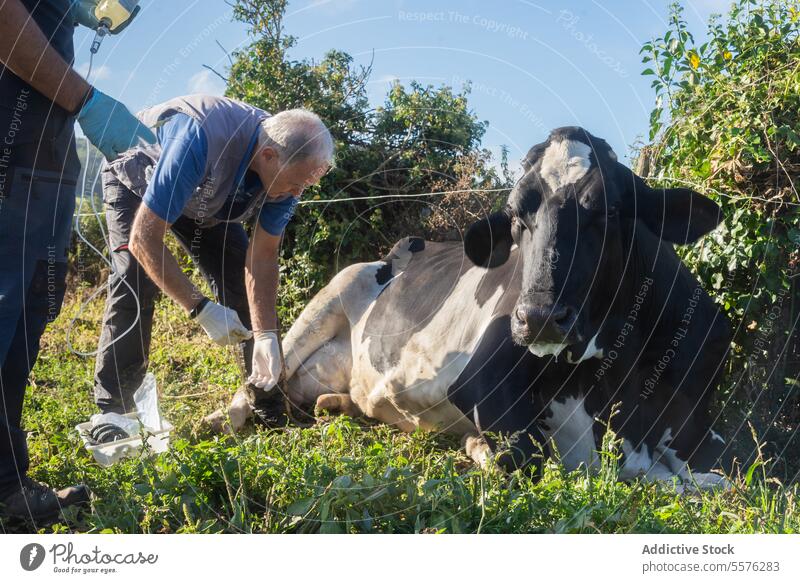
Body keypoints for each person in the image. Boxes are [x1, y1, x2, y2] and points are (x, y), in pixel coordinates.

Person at [91, 95, 333, 439]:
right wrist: (199, 307)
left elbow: (262, 258)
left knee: (236, 276)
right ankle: (113, 413)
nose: (298, 192)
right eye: (296, 183)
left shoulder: (287, 167)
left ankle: (268, 404)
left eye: (305, 185)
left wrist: (265, 334)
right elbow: (145, 239)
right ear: (268, 157)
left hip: (207, 196)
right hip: (138, 174)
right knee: (134, 278)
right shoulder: (200, 137)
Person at [0, 0, 154, 525]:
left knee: (24, 318)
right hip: (8, 151)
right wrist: (85, 99)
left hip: (43, 164)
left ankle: (6, 482)